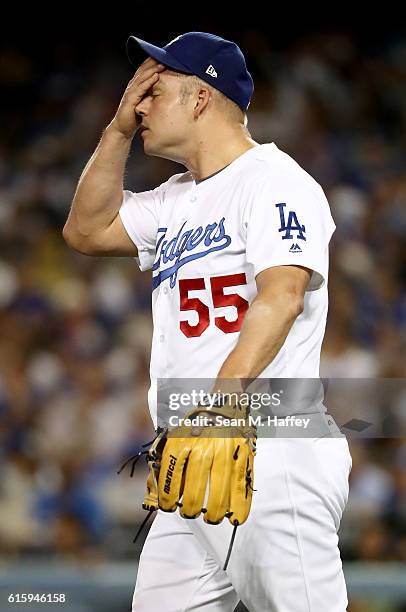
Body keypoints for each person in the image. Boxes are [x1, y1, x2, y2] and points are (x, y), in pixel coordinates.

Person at [63, 31, 352, 612]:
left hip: (269, 444)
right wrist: (117, 130)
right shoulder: (174, 199)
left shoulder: (276, 180)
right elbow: (85, 231)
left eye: (155, 90)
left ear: (200, 99)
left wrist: (225, 396)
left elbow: (282, 294)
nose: (139, 104)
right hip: (189, 457)